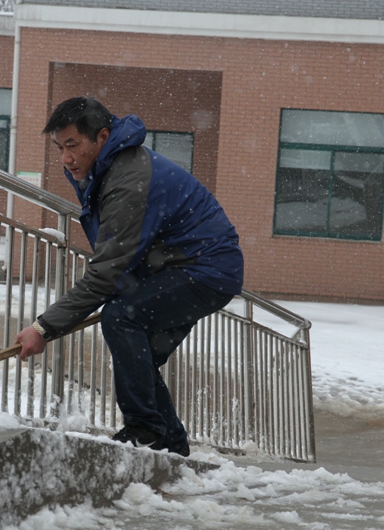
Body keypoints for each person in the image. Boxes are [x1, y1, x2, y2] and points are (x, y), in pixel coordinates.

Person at [16, 96, 243, 457]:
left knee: (121, 318)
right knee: (139, 356)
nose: (66, 159)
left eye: (73, 145)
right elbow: (117, 256)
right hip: (177, 267)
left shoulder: (127, 180)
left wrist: (44, 328)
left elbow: (107, 271)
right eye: (60, 148)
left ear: (103, 137)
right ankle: (171, 446)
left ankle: (144, 430)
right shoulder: (105, 168)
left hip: (205, 269)